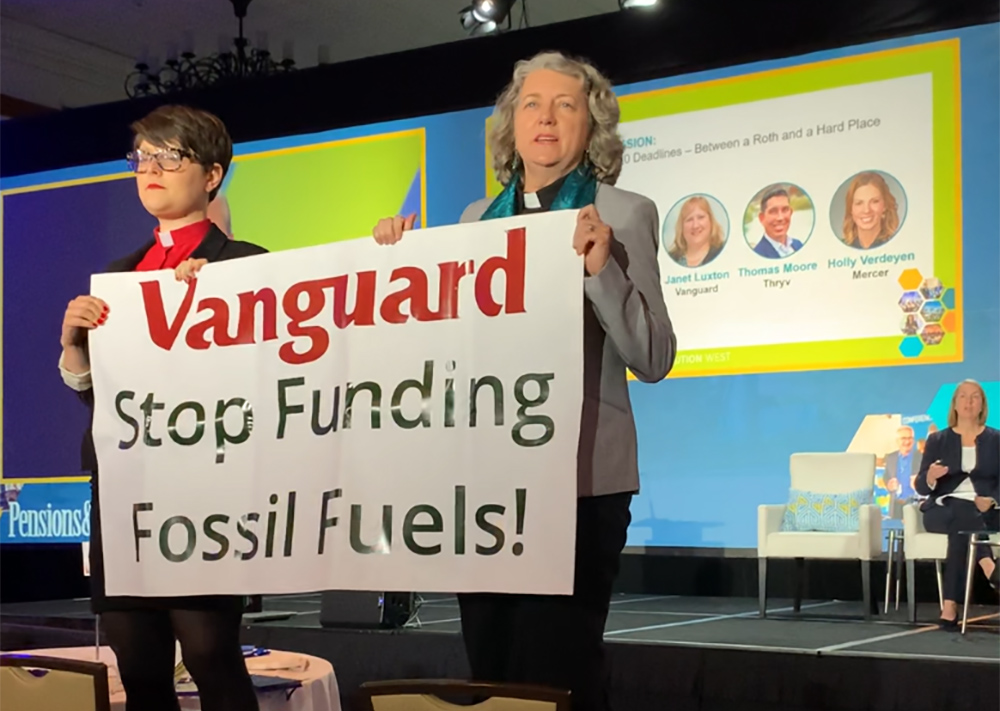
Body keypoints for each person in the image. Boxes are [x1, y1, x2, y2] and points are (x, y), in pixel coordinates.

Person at [373, 51, 676, 711]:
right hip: (484, 484)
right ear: (510, 126)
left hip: (580, 484)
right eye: (532, 105)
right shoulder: (474, 220)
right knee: (491, 667)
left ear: (589, 126)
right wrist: (402, 267)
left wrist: (603, 271)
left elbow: (653, 356)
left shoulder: (623, 213)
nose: (546, 118)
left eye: (565, 105)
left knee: (558, 670)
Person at [58, 105, 265, 711]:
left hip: (207, 493)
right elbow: (103, 399)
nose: (151, 168)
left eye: (170, 156)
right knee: (139, 663)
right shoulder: (118, 277)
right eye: (143, 157)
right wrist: (74, 345)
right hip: (125, 491)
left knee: (208, 653)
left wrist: (219, 306)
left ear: (211, 175)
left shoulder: (247, 265)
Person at [915, 380, 999, 628]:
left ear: (982, 403)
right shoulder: (937, 440)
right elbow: (921, 486)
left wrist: (993, 500)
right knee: (964, 509)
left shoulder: (996, 439)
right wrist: (930, 477)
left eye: (974, 397)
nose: (968, 402)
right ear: (955, 404)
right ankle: (989, 567)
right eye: (963, 396)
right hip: (942, 510)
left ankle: (950, 605)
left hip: (986, 511)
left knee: (963, 528)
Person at [840, 171, 900, 250]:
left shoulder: (898, 244)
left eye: (874, 201)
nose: (866, 210)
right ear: (851, 209)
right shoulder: (839, 248)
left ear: (884, 205)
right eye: (859, 203)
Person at [667, 195, 725, 267]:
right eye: (689, 220)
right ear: (681, 226)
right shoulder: (670, 259)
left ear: (711, 221)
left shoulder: (723, 252)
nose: (695, 225)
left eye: (701, 217)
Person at [752, 187, 803, 258]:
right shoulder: (757, 255)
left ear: (791, 213)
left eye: (785, 210)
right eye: (773, 211)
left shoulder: (798, 245)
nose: (780, 218)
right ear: (762, 218)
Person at [885, 425, 920, 518]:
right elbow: (886, 477)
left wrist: (919, 484)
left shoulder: (922, 457)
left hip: (914, 505)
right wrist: (889, 485)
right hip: (895, 506)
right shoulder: (890, 458)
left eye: (910, 438)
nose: (907, 442)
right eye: (903, 438)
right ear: (897, 441)